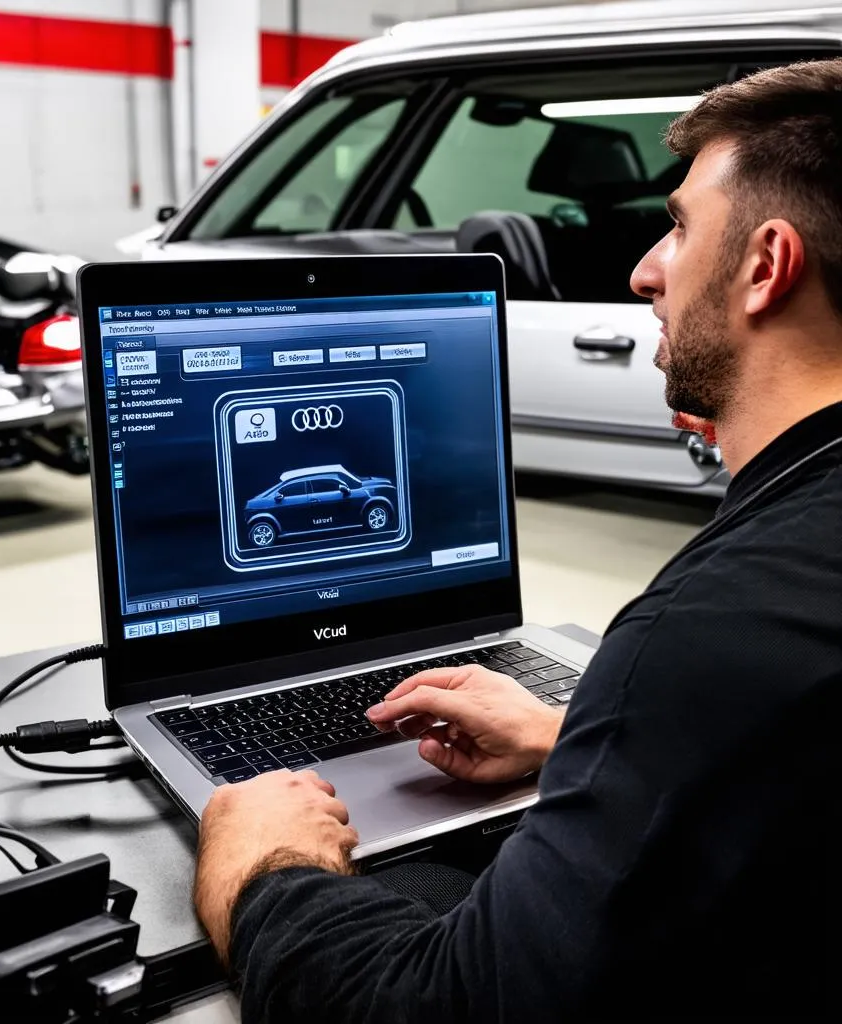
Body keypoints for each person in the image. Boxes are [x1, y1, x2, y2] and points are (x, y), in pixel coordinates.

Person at [193, 60, 841, 1021]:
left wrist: (265, 868)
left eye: (678, 226)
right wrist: (591, 743)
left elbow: (431, 1010)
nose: (645, 270)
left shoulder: (715, 629)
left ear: (765, 265)